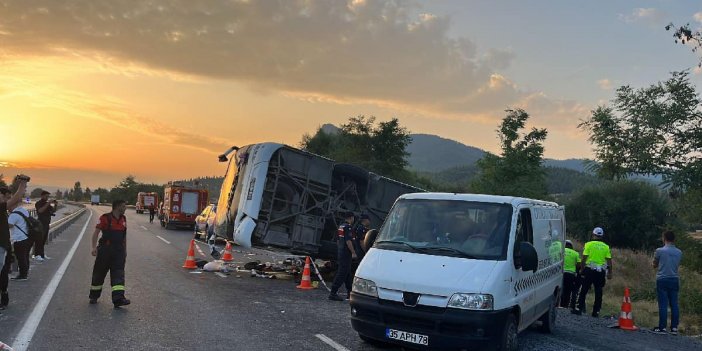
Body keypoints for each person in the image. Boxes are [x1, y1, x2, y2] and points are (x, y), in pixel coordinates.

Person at [89, 199, 131, 308]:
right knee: (99, 273)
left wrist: (125, 251)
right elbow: (96, 233)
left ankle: (118, 299)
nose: (125, 208)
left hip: (118, 251)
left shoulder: (123, 219)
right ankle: (94, 296)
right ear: (117, 207)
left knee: (118, 275)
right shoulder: (105, 218)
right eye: (123, 206)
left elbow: (124, 236)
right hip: (105, 250)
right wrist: (94, 247)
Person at [0, 177, 28, 311]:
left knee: (3, 273)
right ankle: (4, 298)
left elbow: (15, 199)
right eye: (5, 197)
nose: (7, 200)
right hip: (3, 246)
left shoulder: (4, 210)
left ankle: (4, 298)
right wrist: (22, 184)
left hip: (3, 247)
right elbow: (16, 199)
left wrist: (22, 185)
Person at [573, 227, 612, 317]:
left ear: (593, 235)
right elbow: (609, 261)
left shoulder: (588, 244)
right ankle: (596, 312)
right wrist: (610, 272)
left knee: (584, 290)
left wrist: (582, 269)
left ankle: (578, 308)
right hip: (600, 271)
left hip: (589, 270)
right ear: (602, 236)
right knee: (598, 291)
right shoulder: (606, 247)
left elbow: (584, 258)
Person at [652, 230, 683, 335]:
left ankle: (662, 327)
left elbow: (654, 264)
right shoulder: (679, 252)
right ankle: (674, 328)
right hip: (674, 279)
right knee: (674, 304)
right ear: (674, 239)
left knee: (663, 304)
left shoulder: (659, 251)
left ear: (664, 238)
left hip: (662, 279)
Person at [329, 212, 358, 301]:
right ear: (351, 218)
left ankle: (350, 292)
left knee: (347, 273)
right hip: (346, 253)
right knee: (342, 273)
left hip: (341, 252)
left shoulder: (341, 226)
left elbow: (338, 240)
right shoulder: (348, 227)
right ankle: (333, 293)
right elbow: (348, 241)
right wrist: (353, 252)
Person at [8, 200, 32, 281]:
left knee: (20, 258)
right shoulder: (23, 210)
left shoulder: (14, 214)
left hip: (19, 239)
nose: (7, 208)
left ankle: (23, 275)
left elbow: (9, 225)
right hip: (26, 237)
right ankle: (25, 273)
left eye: (8, 206)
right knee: (25, 257)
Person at [34, 190, 56, 261]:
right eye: (46, 196)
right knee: (39, 240)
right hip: (40, 224)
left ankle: (42, 254)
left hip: (46, 224)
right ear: (42, 196)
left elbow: (53, 211)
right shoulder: (38, 203)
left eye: (48, 196)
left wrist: (55, 205)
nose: (47, 198)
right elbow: (40, 211)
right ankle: (37, 255)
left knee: (43, 240)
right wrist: (48, 203)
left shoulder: (47, 204)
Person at [561, 240, 581, 308]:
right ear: (571, 246)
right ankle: (565, 305)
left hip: (561, 273)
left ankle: (560, 303)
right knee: (568, 290)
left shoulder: (561, 251)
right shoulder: (575, 253)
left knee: (561, 288)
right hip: (570, 274)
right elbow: (579, 265)